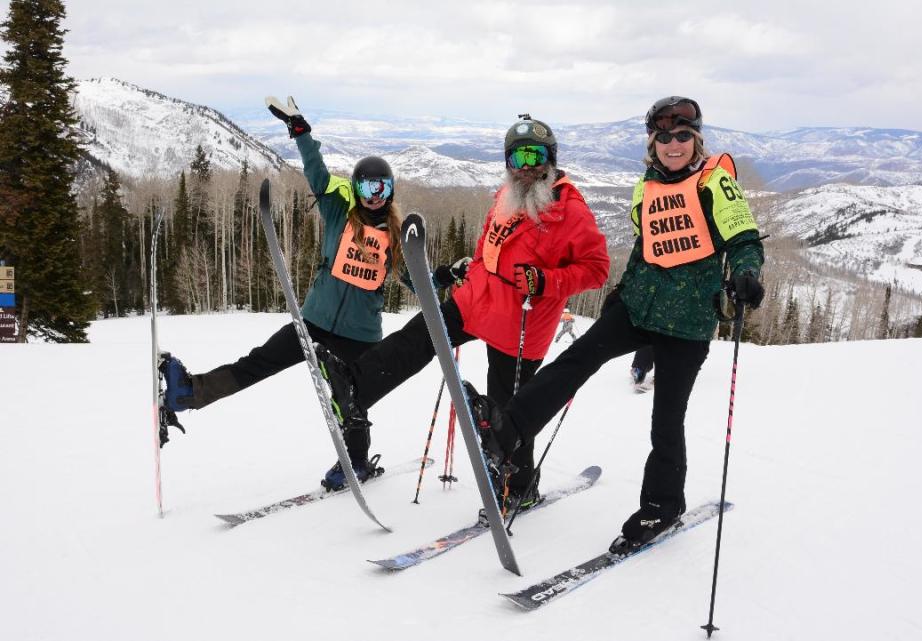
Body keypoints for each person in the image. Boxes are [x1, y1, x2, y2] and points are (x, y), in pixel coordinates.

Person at [473, 96, 765, 552]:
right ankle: (509, 430)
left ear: (696, 140)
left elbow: (745, 238)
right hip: (638, 305)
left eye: (682, 136)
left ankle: (663, 506)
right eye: (663, 136)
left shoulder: (715, 183)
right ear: (652, 141)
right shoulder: (645, 186)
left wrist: (747, 274)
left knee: (666, 420)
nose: (673, 144)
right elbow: (647, 248)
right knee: (577, 359)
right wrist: (622, 289)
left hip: (686, 324)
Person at [319, 114, 610, 511]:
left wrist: (546, 282)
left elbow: (597, 269)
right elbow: (486, 249)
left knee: (508, 415)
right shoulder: (504, 197)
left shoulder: (569, 211)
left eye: (534, 156)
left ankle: (519, 488)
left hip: (521, 322)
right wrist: (466, 274)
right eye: (517, 158)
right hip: (476, 300)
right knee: (417, 337)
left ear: (551, 160)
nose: (525, 167)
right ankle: (355, 388)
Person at [159, 96, 404, 491]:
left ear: (390, 191)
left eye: (382, 187)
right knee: (260, 361)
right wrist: (302, 133)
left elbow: (416, 280)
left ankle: (355, 461)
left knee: (352, 400)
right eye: (367, 186)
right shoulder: (339, 214)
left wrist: (445, 278)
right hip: (315, 322)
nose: (375, 194)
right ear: (357, 188)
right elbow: (318, 176)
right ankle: (192, 392)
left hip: (360, 337)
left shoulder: (396, 236)